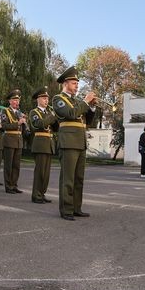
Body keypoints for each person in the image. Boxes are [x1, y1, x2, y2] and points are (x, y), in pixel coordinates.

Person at [53, 66, 97, 221]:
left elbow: (89, 121)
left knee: (79, 178)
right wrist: (85, 102)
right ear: (65, 84)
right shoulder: (58, 99)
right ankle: (66, 209)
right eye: (74, 83)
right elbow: (70, 114)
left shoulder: (77, 101)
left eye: (77, 84)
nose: (77, 86)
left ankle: (76, 208)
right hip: (68, 142)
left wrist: (91, 107)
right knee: (68, 178)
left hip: (80, 142)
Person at [29, 88, 57, 203]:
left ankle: (42, 193)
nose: (46, 100)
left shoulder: (48, 112)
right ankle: (36, 195)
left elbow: (55, 129)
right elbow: (39, 124)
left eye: (47, 98)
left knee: (46, 173)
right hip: (40, 144)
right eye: (44, 98)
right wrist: (52, 116)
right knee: (40, 172)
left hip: (49, 144)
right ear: (38, 99)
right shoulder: (34, 112)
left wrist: (56, 119)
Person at [1, 89, 26, 194]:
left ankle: (14, 185)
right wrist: (18, 123)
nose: (17, 102)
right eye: (14, 100)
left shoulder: (20, 113)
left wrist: (25, 123)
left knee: (16, 165)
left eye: (18, 100)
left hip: (18, 141)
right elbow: (4, 126)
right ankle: (8, 186)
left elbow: (22, 130)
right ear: (10, 101)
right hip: (9, 140)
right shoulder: (5, 111)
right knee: (9, 165)